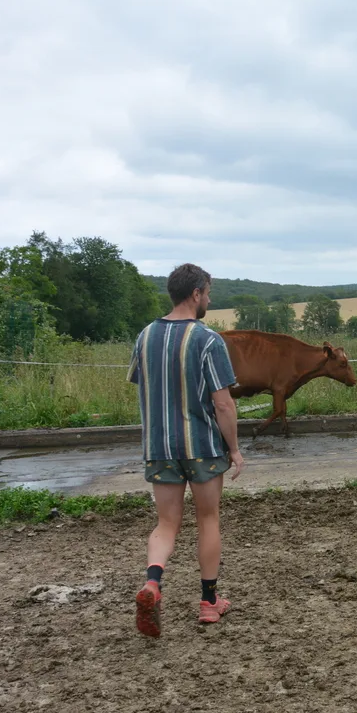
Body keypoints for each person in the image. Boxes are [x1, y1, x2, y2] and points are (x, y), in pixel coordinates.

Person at [128, 263, 245, 638]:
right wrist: (235, 449)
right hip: (202, 447)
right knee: (208, 519)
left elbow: (142, 384)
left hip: (159, 448)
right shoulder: (208, 340)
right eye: (208, 293)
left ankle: (152, 584)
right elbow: (224, 405)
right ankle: (209, 604)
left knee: (166, 523)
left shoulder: (145, 336)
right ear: (195, 294)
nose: (209, 299)